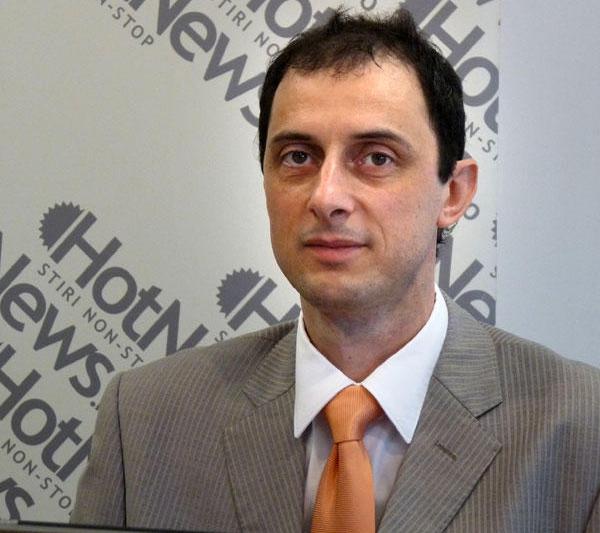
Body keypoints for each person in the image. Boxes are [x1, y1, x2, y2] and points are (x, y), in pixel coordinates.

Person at [72, 7, 600, 532]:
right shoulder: (144, 421)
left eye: (376, 158)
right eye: (298, 157)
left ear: (454, 194)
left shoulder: (582, 428)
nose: (326, 197)